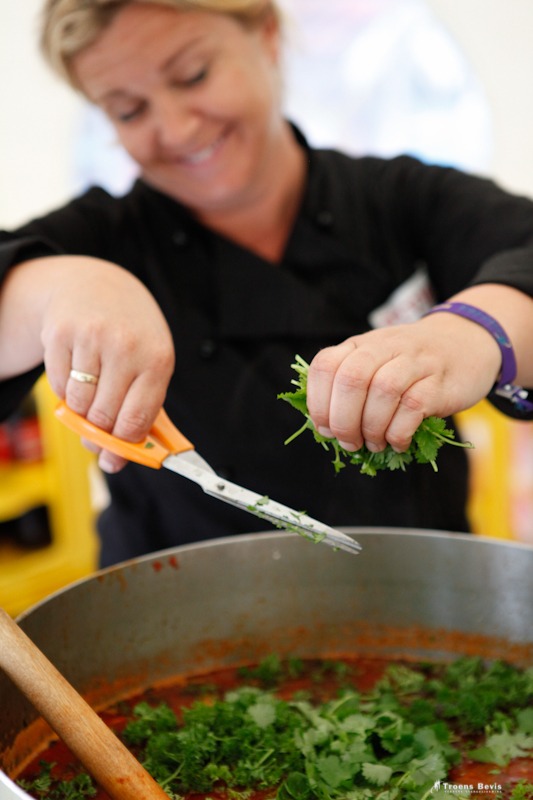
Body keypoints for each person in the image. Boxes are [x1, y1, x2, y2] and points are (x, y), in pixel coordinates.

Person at [0, 0, 532, 567]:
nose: (176, 128)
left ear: (267, 36)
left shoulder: (398, 200)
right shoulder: (101, 236)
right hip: (168, 601)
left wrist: (471, 333)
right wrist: (60, 289)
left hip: (419, 588)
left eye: (194, 76)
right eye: (128, 111)